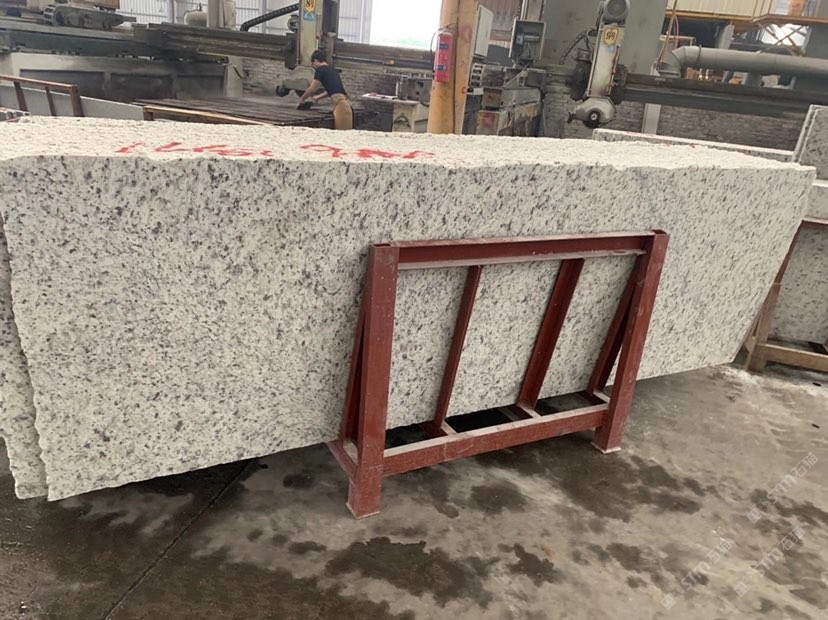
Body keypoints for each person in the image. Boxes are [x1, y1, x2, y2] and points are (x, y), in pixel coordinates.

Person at [297, 50, 354, 130]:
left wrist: (302, 99)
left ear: (315, 60)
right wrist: (318, 97)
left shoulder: (320, 70)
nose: (313, 66)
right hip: (344, 102)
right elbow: (332, 90)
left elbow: (312, 89)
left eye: (313, 64)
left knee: (342, 131)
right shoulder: (333, 70)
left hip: (340, 104)